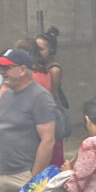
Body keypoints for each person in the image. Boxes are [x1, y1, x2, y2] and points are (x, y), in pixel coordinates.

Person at [0, 47, 57, 192]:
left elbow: (48, 141)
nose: (1, 72)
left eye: (6, 67)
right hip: (3, 173)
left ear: (22, 70)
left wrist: (33, 180)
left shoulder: (40, 97)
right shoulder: (4, 96)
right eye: (0, 68)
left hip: (26, 175)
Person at [32, 25, 67, 167]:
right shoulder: (37, 66)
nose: (38, 53)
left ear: (51, 50)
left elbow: (49, 94)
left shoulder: (54, 69)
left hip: (51, 115)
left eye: (41, 49)